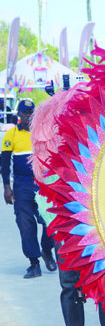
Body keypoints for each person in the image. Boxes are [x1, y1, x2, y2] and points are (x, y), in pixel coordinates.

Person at [1, 99, 56, 278]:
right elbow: (4, 162)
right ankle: (34, 263)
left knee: (49, 220)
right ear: (19, 114)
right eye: (25, 113)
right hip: (22, 185)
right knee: (25, 224)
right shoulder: (11, 134)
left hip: (43, 183)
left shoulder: (42, 132)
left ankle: (46, 249)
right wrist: (7, 187)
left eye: (31, 113)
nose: (28, 116)